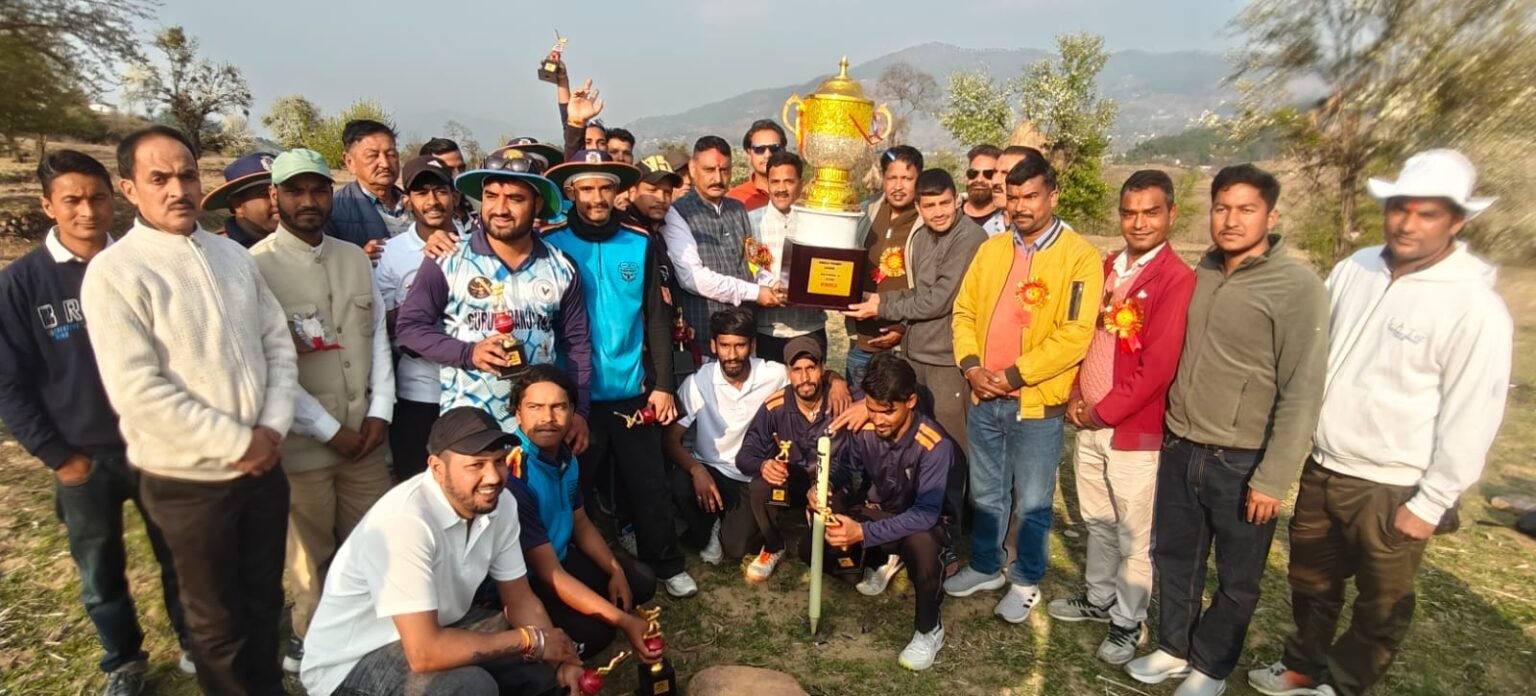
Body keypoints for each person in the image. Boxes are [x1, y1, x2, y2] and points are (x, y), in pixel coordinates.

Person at [1247, 150, 1513, 696]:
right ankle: (1302, 665)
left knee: (1381, 600)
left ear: (1457, 221)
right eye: (1400, 208)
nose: (1408, 224)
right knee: (1310, 580)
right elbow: (1317, 352)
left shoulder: (1473, 306)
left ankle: (1343, 684)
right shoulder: (1357, 268)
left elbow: (1474, 412)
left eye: (1428, 213)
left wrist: (1433, 500)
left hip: (1396, 483)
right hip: (1327, 465)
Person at [81, 125, 299, 696]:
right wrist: (237, 442)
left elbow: (277, 345)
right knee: (216, 624)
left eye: (186, 175)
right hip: (189, 482)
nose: (177, 189)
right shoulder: (116, 271)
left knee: (264, 603)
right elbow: (138, 389)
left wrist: (270, 428)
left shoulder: (232, 256)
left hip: (263, 465)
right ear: (130, 189)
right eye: (159, 178)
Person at [1125, 164, 1329, 696]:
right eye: (1222, 208)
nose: (1231, 220)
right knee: (1176, 557)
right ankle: (1174, 647)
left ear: (1271, 216)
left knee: (1237, 576)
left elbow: (1302, 389)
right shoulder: (1205, 271)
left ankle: (1211, 667)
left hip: (1242, 459)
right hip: (1182, 445)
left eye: (1246, 209)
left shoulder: (1297, 287)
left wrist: (1273, 477)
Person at [0, 149, 193, 695]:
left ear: (117, 198)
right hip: (84, 456)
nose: (88, 211)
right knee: (99, 569)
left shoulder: (143, 262)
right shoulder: (22, 284)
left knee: (180, 554)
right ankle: (124, 662)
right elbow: (9, 382)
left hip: (158, 445)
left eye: (98, 197)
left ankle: (194, 644)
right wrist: (59, 456)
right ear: (48, 206)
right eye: (73, 200)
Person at [299, 407, 587, 696]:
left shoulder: (503, 504)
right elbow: (424, 653)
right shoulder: (405, 521)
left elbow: (520, 598)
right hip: (352, 662)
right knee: (470, 685)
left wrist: (558, 660)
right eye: (476, 465)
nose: (492, 477)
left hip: (436, 626)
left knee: (534, 665)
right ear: (437, 468)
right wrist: (530, 640)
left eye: (499, 461)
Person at [250, 148, 396, 674]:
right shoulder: (256, 267)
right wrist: (329, 430)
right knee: (309, 557)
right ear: (276, 197)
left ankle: (374, 639)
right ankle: (311, 646)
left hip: (366, 439)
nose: (308, 201)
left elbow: (376, 337)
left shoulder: (354, 257)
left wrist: (380, 411)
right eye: (296, 191)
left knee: (375, 544)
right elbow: (268, 365)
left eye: (318, 190)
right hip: (304, 445)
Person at [944, 148, 1104, 628]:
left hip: (1036, 404)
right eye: (1012, 197)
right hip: (984, 397)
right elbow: (964, 312)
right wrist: (972, 367)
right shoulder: (993, 250)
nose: (1020, 207)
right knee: (986, 492)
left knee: (1032, 502)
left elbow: (1075, 334)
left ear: (1053, 196)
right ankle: (986, 565)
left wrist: (1014, 375)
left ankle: (1026, 580)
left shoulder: (1079, 257)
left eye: (1031, 196)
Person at [1047, 170, 1196, 665]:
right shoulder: (1107, 267)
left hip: (1132, 430)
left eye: (1151, 212)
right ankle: (1098, 596)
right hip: (1088, 422)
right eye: (1130, 213)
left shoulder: (1175, 279)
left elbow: (1158, 366)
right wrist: (1075, 395)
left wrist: (1103, 411)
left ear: (1171, 214)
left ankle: (1128, 621)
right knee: (1097, 519)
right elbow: (1082, 336)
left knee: (1134, 534)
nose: (1139, 222)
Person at [542, 150, 697, 599]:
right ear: (571, 191)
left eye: (606, 188)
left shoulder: (638, 240)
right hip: (575, 395)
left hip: (631, 389)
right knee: (575, 486)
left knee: (648, 482)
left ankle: (666, 563)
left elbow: (656, 318)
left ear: (618, 191)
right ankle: (574, 567)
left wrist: (663, 385)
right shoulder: (550, 240)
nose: (597, 198)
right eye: (587, 188)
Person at [396, 149, 593, 450]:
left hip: (539, 429)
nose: (500, 209)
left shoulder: (561, 266)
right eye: (491, 196)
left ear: (537, 203)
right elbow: (409, 328)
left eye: (515, 198)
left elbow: (576, 342)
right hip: (469, 427)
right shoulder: (448, 257)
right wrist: (469, 353)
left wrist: (580, 411)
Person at [843, 168, 986, 533]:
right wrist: (882, 305)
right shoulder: (921, 237)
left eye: (944, 203)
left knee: (949, 448)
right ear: (919, 207)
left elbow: (939, 299)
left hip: (946, 360)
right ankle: (907, 525)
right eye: (930, 205)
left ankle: (947, 534)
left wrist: (883, 306)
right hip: (913, 354)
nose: (938, 212)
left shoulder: (970, 237)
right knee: (912, 443)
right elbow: (916, 292)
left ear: (957, 201)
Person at [805, 351, 954, 671]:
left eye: (887, 412)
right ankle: (882, 560)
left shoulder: (935, 444)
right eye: (871, 409)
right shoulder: (868, 425)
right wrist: (823, 487)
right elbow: (845, 468)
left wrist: (862, 532)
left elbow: (926, 513)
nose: (878, 419)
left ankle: (929, 629)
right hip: (877, 513)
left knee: (923, 544)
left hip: (921, 523)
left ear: (910, 402)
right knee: (814, 543)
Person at [504, 366, 664, 659]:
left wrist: (614, 570)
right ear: (517, 414)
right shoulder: (514, 475)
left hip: (561, 558)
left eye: (559, 407)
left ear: (572, 412)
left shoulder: (566, 455)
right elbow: (548, 572)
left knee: (639, 581)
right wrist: (623, 621)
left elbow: (580, 522)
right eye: (535, 407)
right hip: (529, 580)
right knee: (597, 633)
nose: (547, 418)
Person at [665, 308, 789, 568]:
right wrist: (697, 470)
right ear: (713, 345)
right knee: (680, 482)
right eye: (724, 346)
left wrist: (836, 382)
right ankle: (707, 529)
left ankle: (724, 525)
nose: (732, 355)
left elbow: (809, 376)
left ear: (752, 346)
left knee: (736, 548)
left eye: (740, 345)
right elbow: (671, 439)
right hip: (710, 468)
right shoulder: (699, 381)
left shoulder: (774, 374)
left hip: (750, 474)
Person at [734, 336, 852, 583]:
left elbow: (875, 413)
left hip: (832, 484)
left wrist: (825, 485)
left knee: (837, 563)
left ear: (823, 368)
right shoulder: (775, 405)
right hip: (792, 483)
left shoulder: (843, 400)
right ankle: (773, 545)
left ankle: (820, 534)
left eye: (811, 368)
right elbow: (745, 455)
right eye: (797, 370)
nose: (805, 377)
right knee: (760, 485)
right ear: (788, 373)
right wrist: (764, 465)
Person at [662, 136, 786, 354]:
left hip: (745, 333)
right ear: (693, 169)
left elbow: (754, 262)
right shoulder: (676, 213)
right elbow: (694, 279)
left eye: (724, 170)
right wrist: (756, 292)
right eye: (709, 170)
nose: (718, 178)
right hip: (704, 335)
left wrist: (771, 283)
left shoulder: (737, 208)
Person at [377, 156, 460, 480]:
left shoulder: (479, 245)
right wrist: (421, 306)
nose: (432, 200)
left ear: (454, 196)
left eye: (440, 190)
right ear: (407, 200)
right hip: (417, 391)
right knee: (417, 483)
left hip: (469, 387)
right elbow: (381, 323)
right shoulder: (390, 252)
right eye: (422, 192)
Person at [846, 145, 924, 387]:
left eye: (907, 179)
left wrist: (903, 327)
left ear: (919, 179)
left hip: (904, 345)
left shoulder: (926, 221)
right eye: (892, 178)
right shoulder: (866, 212)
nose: (898, 186)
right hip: (861, 341)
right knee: (859, 406)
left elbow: (929, 289)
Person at [746, 149, 828, 361]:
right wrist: (767, 289)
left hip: (809, 328)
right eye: (775, 182)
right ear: (767, 184)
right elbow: (745, 269)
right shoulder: (750, 222)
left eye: (789, 182)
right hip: (766, 331)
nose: (781, 189)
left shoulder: (818, 222)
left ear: (801, 184)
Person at [328, 119, 404, 259]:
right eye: (372, 156)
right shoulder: (333, 212)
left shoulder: (417, 204)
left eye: (390, 154)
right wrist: (359, 261)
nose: (385, 164)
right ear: (349, 162)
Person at [202, 152, 279, 248]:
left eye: (284, 192)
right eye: (265, 193)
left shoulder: (294, 240)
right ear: (237, 204)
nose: (277, 200)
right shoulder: (216, 249)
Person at [727, 119, 786, 211]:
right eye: (759, 149)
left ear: (784, 151)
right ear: (749, 154)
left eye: (774, 149)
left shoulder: (801, 195)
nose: (767, 155)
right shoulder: (733, 200)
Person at [419, 138, 474, 231]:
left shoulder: (480, 208)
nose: (457, 175)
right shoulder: (420, 218)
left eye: (461, 168)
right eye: (449, 170)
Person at [961, 145, 1007, 236]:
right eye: (973, 173)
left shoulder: (1007, 222)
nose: (979, 180)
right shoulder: (949, 216)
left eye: (988, 174)